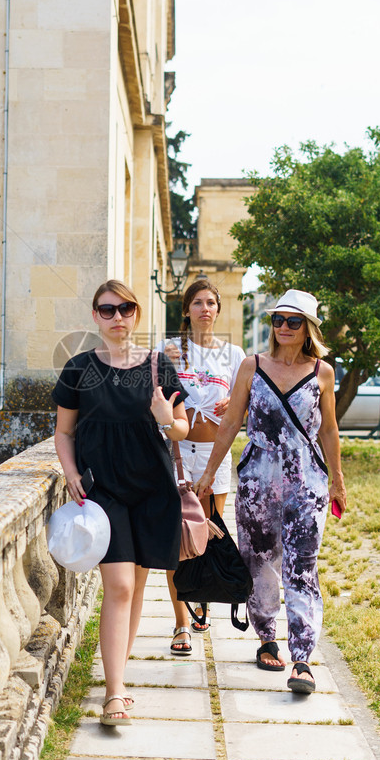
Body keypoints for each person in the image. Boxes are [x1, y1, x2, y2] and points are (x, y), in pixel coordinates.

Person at [195, 289, 346, 695]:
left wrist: (338, 479)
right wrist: (210, 473)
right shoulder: (252, 366)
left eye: (292, 321)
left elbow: (328, 429)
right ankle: (266, 637)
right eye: (277, 320)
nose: (282, 327)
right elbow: (229, 425)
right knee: (259, 560)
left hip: (307, 482)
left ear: (308, 328)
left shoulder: (323, 373)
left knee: (303, 564)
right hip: (257, 480)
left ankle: (302, 659)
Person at [53, 280, 189, 725]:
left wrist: (168, 420)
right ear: (95, 316)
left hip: (152, 489)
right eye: (107, 310)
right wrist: (71, 473)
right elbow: (64, 432)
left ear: (136, 314)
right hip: (103, 492)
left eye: (125, 309)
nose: (117, 318)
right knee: (120, 587)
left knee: (137, 589)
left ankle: (119, 676)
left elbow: (182, 429)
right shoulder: (78, 369)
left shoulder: (157, 366)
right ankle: (114, 693)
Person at [155, 278, 245, 655]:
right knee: (177, 539)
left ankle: (201, 600)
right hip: (177, 453)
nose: (204, 308)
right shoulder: (168, 349)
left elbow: (247, 405)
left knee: (209, 536)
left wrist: (233, 405)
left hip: (215, 455)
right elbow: (155, 399)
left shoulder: (235, 355)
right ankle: (180, 624)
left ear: (219, 310)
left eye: (211, 302)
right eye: (197, 303)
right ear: (187, 310)